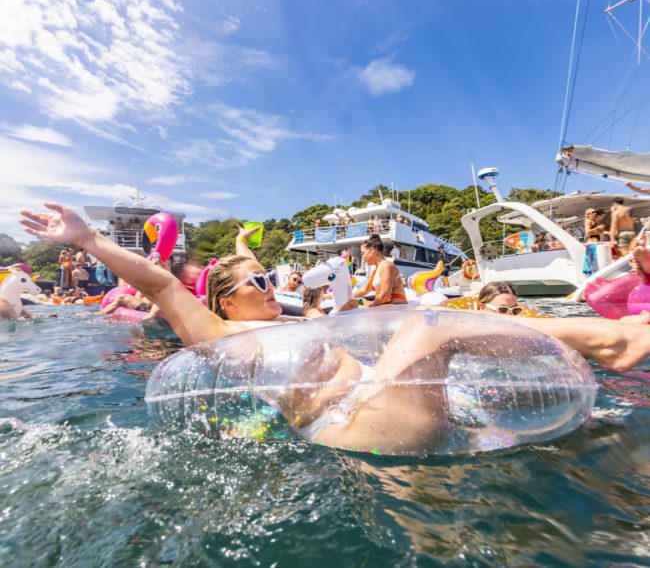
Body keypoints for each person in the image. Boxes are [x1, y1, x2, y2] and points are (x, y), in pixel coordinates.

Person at [18, 205, 650, 449]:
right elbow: (159, 283)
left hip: (388, 409)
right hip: (352, 425)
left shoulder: (306, 322)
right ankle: (613, 340)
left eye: (271, 278)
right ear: (226, 303)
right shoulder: (225, 343)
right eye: (258, 283)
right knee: (428, 331)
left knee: (589, 438)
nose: (272, 288)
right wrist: (87, 237)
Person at [354, 234, 407, 306]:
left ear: (372, 250)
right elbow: (364, 290)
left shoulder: (387, 266)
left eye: (363, 253)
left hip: (396, 308)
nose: (362, 257)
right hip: (386, 307)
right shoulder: (375, 270)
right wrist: (348, 296)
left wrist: (370, 304)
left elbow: (385, 296)